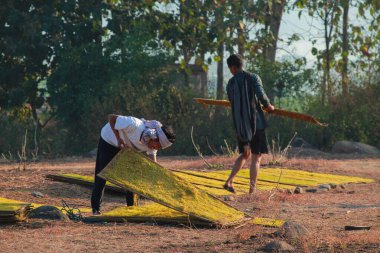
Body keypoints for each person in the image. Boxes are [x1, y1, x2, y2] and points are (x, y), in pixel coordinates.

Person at [91, 114, 176, 215]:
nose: (156, 148)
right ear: (155, 137)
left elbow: (153, 163)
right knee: (102, 174)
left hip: (127, 149)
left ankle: (131, 209)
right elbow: (111, 118)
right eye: (158, 146)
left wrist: (158, 176)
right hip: (109, 140)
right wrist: (119, 139)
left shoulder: (152, 145)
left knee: (132, 178)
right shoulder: (134, 125)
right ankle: (96, 209)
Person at [224, 54, 275, 194]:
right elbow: (261, 94)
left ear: (233, 67)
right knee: (256, 157)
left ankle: (229, 181)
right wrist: (268, 106)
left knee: (245, 154)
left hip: (241, 127)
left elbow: (231, 101)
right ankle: (252, 191)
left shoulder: (231, 83)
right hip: (256, 125)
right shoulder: (253, 78)